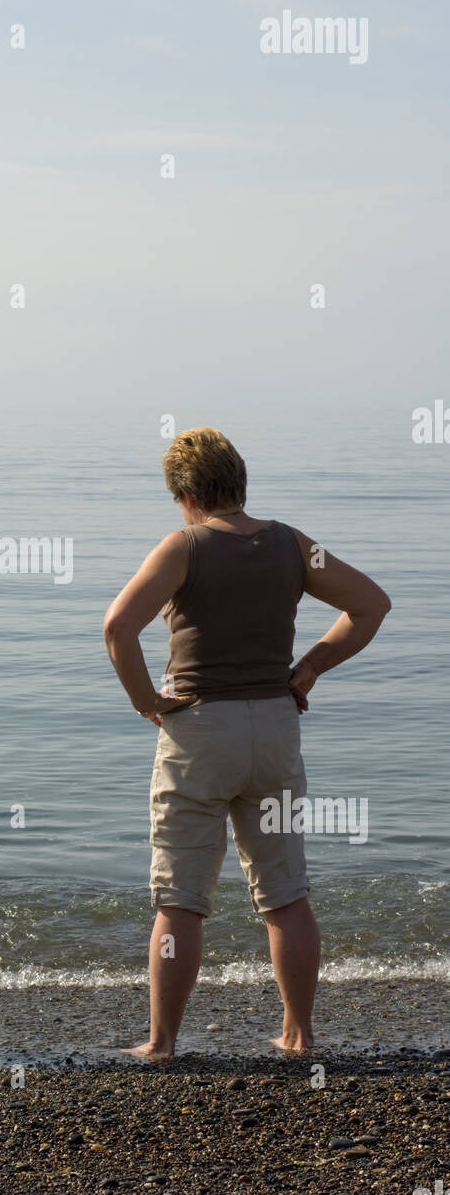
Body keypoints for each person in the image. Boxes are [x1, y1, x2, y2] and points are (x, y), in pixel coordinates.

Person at [103, 427, 390, 1060]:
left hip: (202, 731)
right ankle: (298, 1034)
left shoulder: (184, 547)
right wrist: (309, 666)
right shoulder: (292, 545)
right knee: (285, 892)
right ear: (238, 481)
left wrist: (147, 701)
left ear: (184, 491)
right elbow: (371, 604)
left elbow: (118, 626)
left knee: (181, 898)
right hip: (276, 727)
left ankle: (162, 1041)